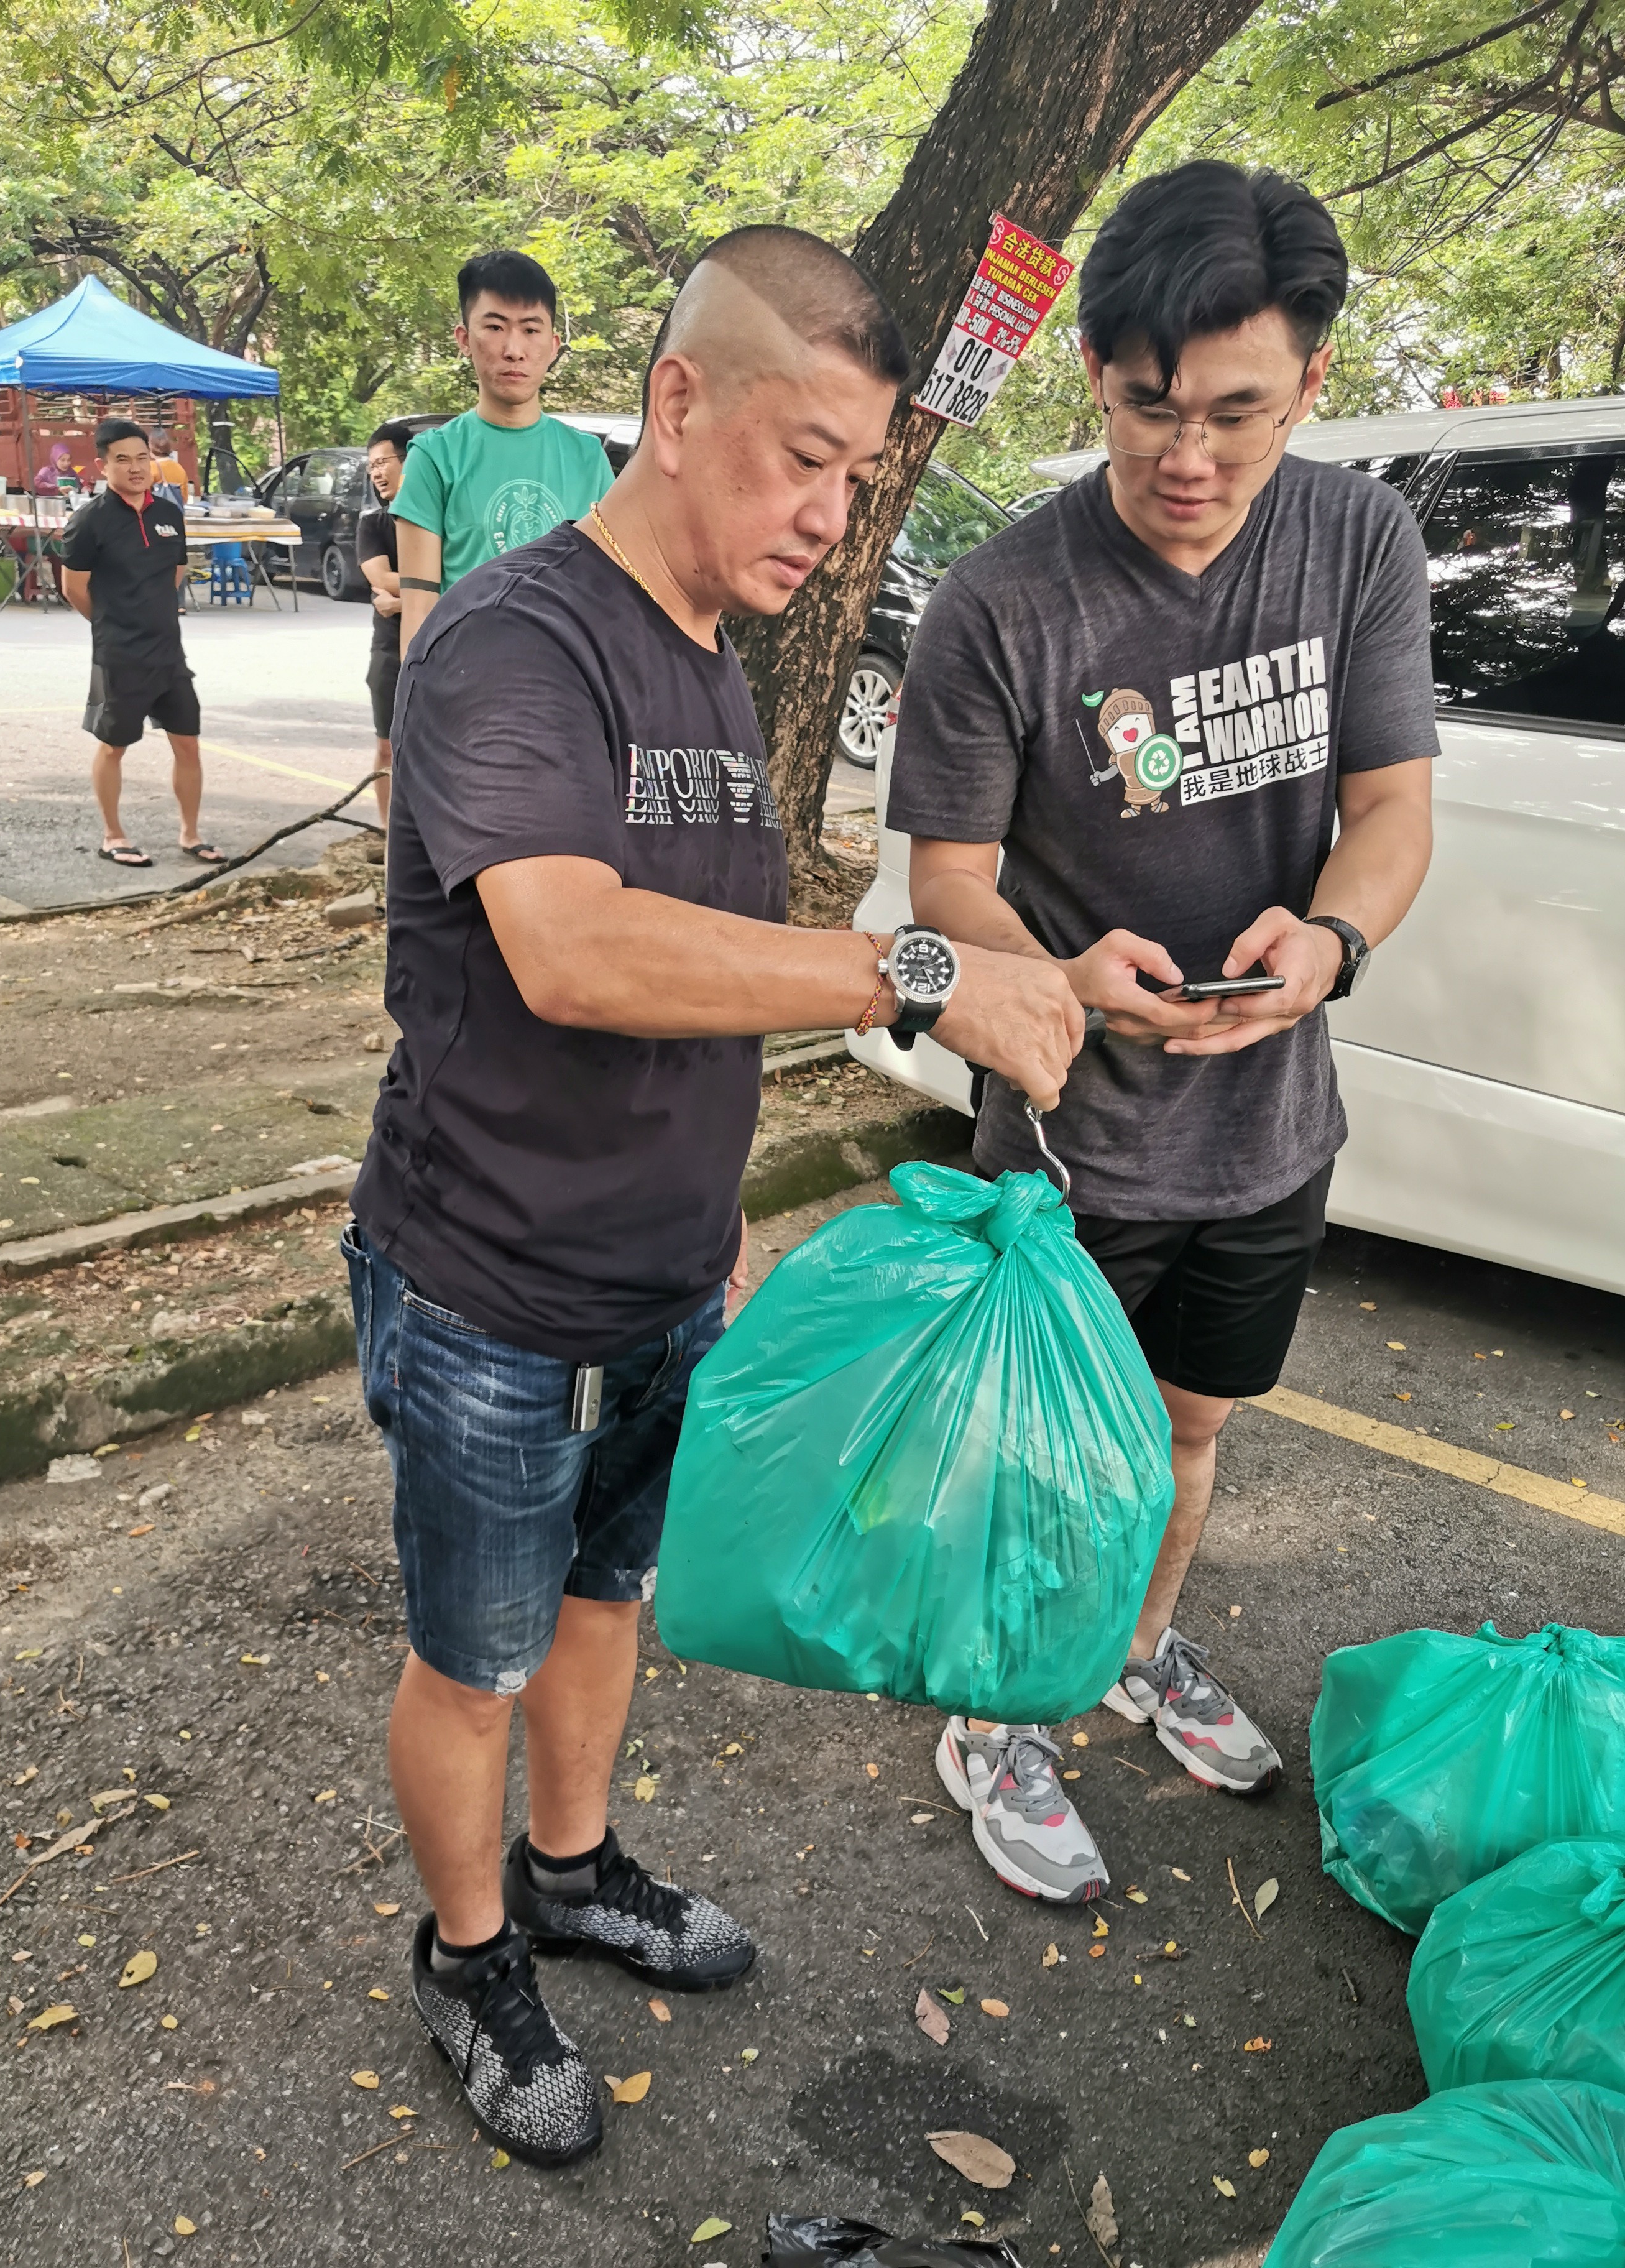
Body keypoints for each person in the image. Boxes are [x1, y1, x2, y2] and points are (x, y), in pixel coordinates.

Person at [345, 223, 1084, 2167]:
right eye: (805, 457)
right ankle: (470, 1953)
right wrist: (916, 972)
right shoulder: (514, 640)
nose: (832, 517)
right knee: (478, 1655)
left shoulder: (705, 658)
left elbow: (701, 975)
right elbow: (576, 948)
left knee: (611, 1591)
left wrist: (716, 1214)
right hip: (487, 1279)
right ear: (678, 402)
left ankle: (574, 1868)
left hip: (664, 1265)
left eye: (857, 476)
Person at [893, 161, 1437, 1901]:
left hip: (1269, 1127)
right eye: (1146, 408)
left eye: (1235, 413)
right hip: (1073, 1133)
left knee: (1190, 1433)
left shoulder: (1355, 542)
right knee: (1049, 1461)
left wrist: (1331, 940)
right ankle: (996, 1718)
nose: (1186, 458)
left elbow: (1391, 808)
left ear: (1310, 384)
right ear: (1092, 374)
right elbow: (942, 884)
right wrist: (1060, 970)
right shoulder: (1001, 601)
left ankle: (1135, 1649)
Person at [394, 249, 614, 655]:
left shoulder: (589, 458)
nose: (514, 349)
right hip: (466, 677)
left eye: (530, 330)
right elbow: (419, 610)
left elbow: (609, 600)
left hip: (565, 680)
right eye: (495, 327)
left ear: (553, 345)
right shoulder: (434, 456)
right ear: (464, 339)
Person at [59, 418, 223, 870]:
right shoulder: (89, 521)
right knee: (114, 746)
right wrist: (114, 623)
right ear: (102, 466)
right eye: (123, 460)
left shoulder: (168, 514)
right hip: (120, 655)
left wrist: (155, 616)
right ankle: (113, 836)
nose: (135, 468)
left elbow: (174, 572)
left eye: (142, 458)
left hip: (169, 652)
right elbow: (73, 588)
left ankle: (191, 834)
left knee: (187, 743)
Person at [356, 420, 411, 827]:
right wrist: (437, 586)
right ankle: (389, 832)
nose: (376, 473)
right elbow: (380, 578)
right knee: (388, 747)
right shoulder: (373, 525)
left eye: (382, 462)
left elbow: (464, 574)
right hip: (390, 652)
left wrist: (403, 599)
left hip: (442, 648)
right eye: (371, 466)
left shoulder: (442, 520)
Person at [149, 428, 190, 499]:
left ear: (151, 446)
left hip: (156, 505)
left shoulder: (150, 467)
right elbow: (184, 497)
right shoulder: (180, 468)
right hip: (176, 506)